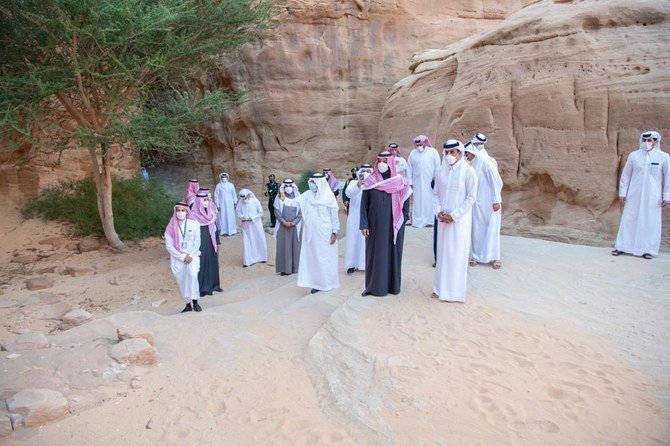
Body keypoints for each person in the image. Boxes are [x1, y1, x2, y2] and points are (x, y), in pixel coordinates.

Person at [360, 151, 412, 297]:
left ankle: (392, 287)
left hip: (394, 226)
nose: (382, 164)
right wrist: (364, 224)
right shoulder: (371, 181)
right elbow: (364, 204)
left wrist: (404, 218)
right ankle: (373, 287)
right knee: (374, 255)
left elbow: (406, 200)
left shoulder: (399, 181)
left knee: (393, 255)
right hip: (375, 226)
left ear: (390, 163)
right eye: (380, 161)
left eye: (385, 161)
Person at [278, 173, 339, 294]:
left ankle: (326, 283)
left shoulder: (329, 196)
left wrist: (335, 231)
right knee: (314, 258)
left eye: (314, 183)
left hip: (325, 233)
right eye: (311, 182)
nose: (311, 185)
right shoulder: (307, 195)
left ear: (320, 184)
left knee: (325, 258)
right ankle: (316, 283)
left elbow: (334, 216)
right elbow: (295, 202)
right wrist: (284, 199)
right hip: (311, 233)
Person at [432, 140, 477, 303]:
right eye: (447, 153)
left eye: (453, 152)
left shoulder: (468, 171)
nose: (449, 155)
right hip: (443, 220)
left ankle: (454, 293)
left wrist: (455, 215)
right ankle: (439, 289)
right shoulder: (440, 171)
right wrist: (438, 212)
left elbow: (471, 197)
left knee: (457, 255)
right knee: (443, 255)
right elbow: (435, 194)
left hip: (459, 222)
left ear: (460, 153)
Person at [612, 131, 670, 259]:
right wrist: (623, 192)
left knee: (650, 221)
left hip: (653, 196)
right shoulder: (634, 156)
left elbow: (668, 178)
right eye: (645, 140)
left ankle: (648, 250)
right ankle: (622, 246)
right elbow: (626, 176)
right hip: (634, 194)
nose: (647, 143)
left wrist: (667, 196)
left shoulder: (663, 157)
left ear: (656, 141)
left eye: (650, 140)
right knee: (629, 219)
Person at [465, 143, 504, 269]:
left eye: (467, 154)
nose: (466, 156)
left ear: (472, 153)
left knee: (491, 228)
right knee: (476, 228)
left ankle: (494, 257)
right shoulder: (471, 164)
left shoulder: (485, 162)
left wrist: (496, 199)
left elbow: (495, 181)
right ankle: (476, 256)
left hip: (490, 202)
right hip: (477, 203)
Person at [164, 202, 203, 313]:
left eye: (183, 210)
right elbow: (169, 246)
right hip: (178, 258)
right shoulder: (171, 227)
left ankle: (195, 302)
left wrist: (190, 256)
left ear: (187, 211)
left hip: (193, 255)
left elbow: (197, 241)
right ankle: (187, 304)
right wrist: (182, 257)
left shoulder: (194, 224)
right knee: (181, 280)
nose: (180, 213)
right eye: (178, 210)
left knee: (192, 276)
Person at [191, 192, 222, 296]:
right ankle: (203, 288)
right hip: (201, 239)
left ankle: (214, 285)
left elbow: (214, 226)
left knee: (212, 261)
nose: (205, 202)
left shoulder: (210, 213)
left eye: (206, 200)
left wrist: (217, 240)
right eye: (203, 200)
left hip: (211, 239)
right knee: (202, 262)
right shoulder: (194, 215)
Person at [344, 163, 373, 275]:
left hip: (368, 217)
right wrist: (358, 185)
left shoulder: (374, 184)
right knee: (353, 240)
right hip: (355, 217)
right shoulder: (352, 183)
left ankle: (366, 264)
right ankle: (352, 264)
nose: (365, 173)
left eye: (368, 171)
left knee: (366, 241)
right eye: (363, 171)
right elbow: (348, 193)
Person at [407, 135, 440, 227]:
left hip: (429, 181)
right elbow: (409, 168)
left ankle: (429, 221)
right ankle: (417, 221)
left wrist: (436, 179)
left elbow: (437, 167)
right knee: (417, 201)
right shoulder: (413, 153)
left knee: (429, 200)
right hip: (416, 182)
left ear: (425, 142)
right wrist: (410, 182)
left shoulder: (433, 152)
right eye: (417, 145)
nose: (419, 147)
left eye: (421, 144)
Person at [274, 179, 302, 276]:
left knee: (295, 247)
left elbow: (301, 212)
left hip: (295, 226)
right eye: (286, 186)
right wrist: (284, 222)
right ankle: (284, 269)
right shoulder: (279, 197)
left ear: (293, 186)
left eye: (290, 186)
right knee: (283, 247)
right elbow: (277, 212)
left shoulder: (299, 197)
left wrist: (293, 222)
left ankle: (295, 268)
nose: (288, 188)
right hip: (283, 226)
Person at [237, 189, 268, 267]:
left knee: (258, 239)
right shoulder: (240, 203)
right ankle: (248, 261)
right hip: (246, 226)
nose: (244, 200)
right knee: (247, 242)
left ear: (248, 196)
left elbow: (261, 212)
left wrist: (253, 218)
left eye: (245, 198)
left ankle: (261, 257)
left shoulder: (255, 201)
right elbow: (238, 212)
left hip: (256, 225)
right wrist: (242, 217)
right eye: (242, 199)